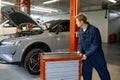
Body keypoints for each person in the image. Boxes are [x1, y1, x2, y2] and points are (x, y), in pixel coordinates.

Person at [75, 13, 111, 80]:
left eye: (77, 21)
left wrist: (86, 55)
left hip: (96, 56)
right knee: (86, 73)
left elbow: (95, 45)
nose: (76, 23)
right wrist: (79, 51)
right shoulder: (80, 30)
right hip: (86, 58)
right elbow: (80, 43)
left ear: (82, 21)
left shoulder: (94, 30)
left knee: (103, 73)